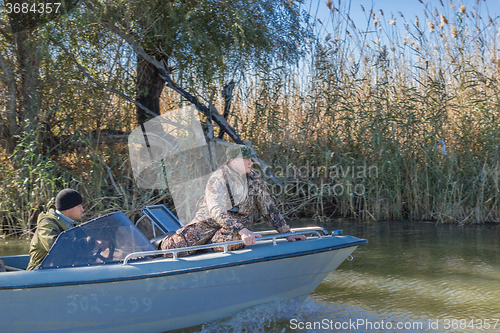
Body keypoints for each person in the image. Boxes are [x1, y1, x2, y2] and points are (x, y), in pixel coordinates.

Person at [160, 144, 306, 255]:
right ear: (233, 161)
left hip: (232, 230)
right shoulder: (218, 179)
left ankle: (214, 242)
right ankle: (163, 240)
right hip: (207, 225)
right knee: (172, 249)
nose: (250, 162)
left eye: (251, 159)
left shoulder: (253, 178)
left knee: (234, 241)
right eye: (246, 159)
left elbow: (268, 208)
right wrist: (242, 230)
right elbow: (217, 211)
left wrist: (287, 233)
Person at [26, 189, 84, 270]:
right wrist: (91, 243)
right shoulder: (46, 225)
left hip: (60, 270)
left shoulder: (71, 224)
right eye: (79, 206)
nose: (82, 209)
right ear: (68, 208)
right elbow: (58, 248)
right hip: (40, 273)